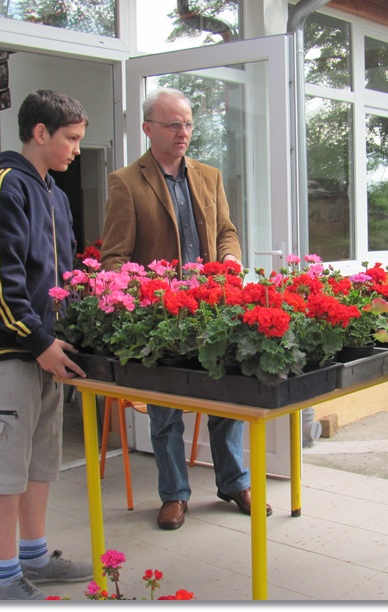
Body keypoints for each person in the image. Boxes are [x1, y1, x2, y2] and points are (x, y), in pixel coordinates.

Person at [100, 87, 271, 531]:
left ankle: (233, 483)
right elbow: (114, 258)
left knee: (225, 400)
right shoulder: (126, 182)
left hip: (213, 308)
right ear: (148, 128)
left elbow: (227, 231)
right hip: (162, 316)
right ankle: (174, 494)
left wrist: (230, 259)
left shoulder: (209, 176)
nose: (183, 132)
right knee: (165, 411)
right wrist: (142, 295)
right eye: (173, 124)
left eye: (188, 124)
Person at [0, 90, 92, 600]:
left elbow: (61, 276)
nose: (77, 149)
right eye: (71, 138)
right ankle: (4, 576)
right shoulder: (4, 186)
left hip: (47, 351)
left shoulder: (54, 193)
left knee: (40, 462)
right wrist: (39, 341)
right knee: (5, 470)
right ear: (40, 133)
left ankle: (35, 556)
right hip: (9, 354)